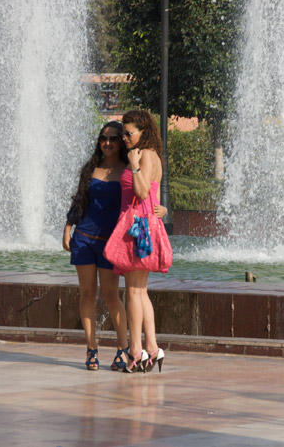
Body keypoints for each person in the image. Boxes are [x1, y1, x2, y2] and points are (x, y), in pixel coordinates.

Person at [63, 121, 130, 371]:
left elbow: (141, 198)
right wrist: (68, 227)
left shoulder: (127, 171)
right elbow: (80, 200)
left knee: (112, 296)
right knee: (87, 294)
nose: (108, 143)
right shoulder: (90, 169)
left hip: (111, 243)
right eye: (104, 138)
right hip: (84, 239)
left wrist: (162, 208)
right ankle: (91, 349)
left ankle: (123, 349)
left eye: (113, 138)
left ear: (121, 142)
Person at [117, 110, 169, 373]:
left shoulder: (144, 155)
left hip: (139, 230)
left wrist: (135, 165)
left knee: (134, 292)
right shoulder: (149, 155)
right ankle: (152, 349)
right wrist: (162, 210)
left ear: (143, 132)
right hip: (145, 227)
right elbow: (154, 199)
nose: (124, 137)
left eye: (129, 133)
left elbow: (141, 191)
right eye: (123, 133)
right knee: (141, 292)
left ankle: (135, 352)